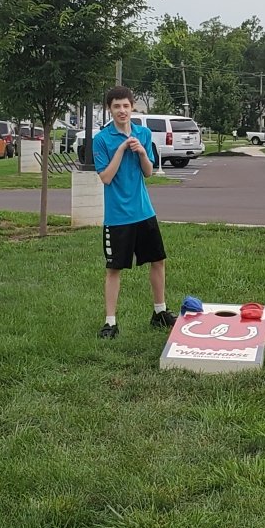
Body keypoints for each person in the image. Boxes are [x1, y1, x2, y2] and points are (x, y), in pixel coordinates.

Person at [93, 86, 176, 339]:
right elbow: (106, 177)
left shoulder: (144, 133)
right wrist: (120, 150)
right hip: (118, 216)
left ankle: (159, 312)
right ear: (110, 109)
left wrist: (141, 152)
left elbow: (148, 172)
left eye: (126, 106)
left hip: (144, 211)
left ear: (132, 107)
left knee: (158, 260)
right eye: (116, 106)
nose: (122, 111)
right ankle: (110, 322)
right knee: (114, 269)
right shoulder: (102, 139)